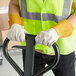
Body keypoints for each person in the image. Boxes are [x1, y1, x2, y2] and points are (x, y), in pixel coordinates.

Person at [7, 0, 76, 76]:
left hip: (63, 47)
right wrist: (15, 23)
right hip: (32, 47)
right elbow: (14, 4)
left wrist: (58, 31)